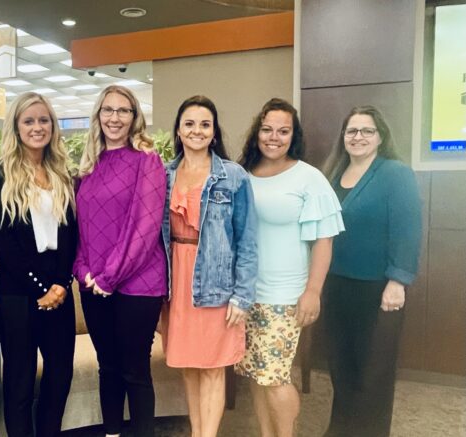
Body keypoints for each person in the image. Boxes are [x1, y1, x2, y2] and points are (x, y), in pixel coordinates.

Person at [236, 98, 344, 437]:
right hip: (244, 294)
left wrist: (313, 292)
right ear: (257, 132)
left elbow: (324, 241)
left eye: (283, 131)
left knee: (275, 376)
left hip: (285, 295)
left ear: (293, 135)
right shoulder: (243, 174)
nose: (274, 137)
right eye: (267, 129)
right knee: (255, 373)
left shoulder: (308, 178)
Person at [321, 106, 422, 437]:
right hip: (335, 284)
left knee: (373, 369)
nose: (358, 137)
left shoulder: (395, 173)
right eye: (352, 131)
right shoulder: (334, 175)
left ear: (380, 137)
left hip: (377, 288)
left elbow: (407, 229)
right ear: (343, 137)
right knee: (342, 364)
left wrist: (398, 280)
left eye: (367, 131)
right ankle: (342, 428)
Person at [160, 96, 258, 437]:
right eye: (189, 123)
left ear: (214, 132)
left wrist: (241, 296)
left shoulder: (233, 177)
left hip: (216, 281)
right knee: (188, 365)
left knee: (214, 367)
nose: (197, 131)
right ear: (178, 130)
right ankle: (196, 431)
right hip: (176, 282)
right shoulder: (164, 174)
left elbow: (247, 242)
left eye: (205, 124)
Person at [73, 85, 167, 437]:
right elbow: (80, 230)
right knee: (107, 367)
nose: (115, 117)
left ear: (134, 117)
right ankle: (111, 433)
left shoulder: (148, 160)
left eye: (123, 111)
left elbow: (144, 227)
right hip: (94, 283)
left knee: (134, 370)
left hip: (138, 284)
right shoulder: (87, 167)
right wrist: (84, 273)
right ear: (98, 116)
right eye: (108, 110)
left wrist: (108, 277)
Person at [0, 92, 78, 437]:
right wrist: (41, 289)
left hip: (58, 291)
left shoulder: (60, 173)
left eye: (44, 120)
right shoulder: (0, 173)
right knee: (20, 385)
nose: (37, 127)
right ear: (16, 127)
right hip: (18, 295)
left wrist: (60, 286)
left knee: (60, 377)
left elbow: (71, 236)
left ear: (53, 127)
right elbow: (2, 240)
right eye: (29, 121)